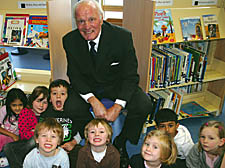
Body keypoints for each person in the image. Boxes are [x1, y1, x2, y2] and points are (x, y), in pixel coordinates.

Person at [62, 0, 153, 166]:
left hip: (116, 85)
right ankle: (88, 139)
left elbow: (130, 75)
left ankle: (121, 141)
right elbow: (74, 76)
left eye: (91, 19)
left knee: (144, 104)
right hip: (89, 87)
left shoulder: (122, 37)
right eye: (81, 21)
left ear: (102, 19)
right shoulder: (69, 40)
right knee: (71, 107)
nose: (86, 26)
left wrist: (118, 106)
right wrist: (92, 100)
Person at [3, 86, 48, 168]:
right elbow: (23, 134)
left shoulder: (48, 114)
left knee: (35, 140)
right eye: (38, 101)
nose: (41, 105)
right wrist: (36, 132)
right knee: (8, 147)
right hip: (26, 142)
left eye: (45, 102)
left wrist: (36, 132)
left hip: (43, 143)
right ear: (32, 101)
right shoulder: (26, 112)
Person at [40, 79, 81, 168]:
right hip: (49, 147)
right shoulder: (46, 113)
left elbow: (80, 132)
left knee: (81, 153)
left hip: (69, 147)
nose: (58, 96)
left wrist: (73, 143)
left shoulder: (73, 112)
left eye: (62, 94)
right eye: (54, 94)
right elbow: (40, 134)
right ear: (50, 98)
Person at [0, 88, 27, 167]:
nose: (17, 108)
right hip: (8, 136)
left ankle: (6, 159)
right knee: (2, 138)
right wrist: (12, 135)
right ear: (9, 104)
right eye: (14, 105)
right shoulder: (4, 110)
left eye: (20, 105)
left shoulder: (26, 112)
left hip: (18, 140)